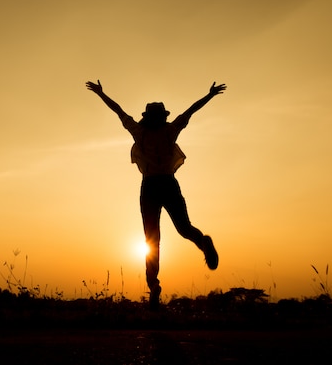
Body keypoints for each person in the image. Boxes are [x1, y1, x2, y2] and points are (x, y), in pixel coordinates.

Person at [84, 79, 226, 308]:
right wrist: (209, 95)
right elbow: (190, 111)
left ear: (147, 117)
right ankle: (202, 242)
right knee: (184, 228)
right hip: (169, 184)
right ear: (163, 117)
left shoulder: (139, 132)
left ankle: (154, 287)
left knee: (152, 240)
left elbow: (118, 111)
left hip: (150, 186)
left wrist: (101, 94)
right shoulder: (170, 131)